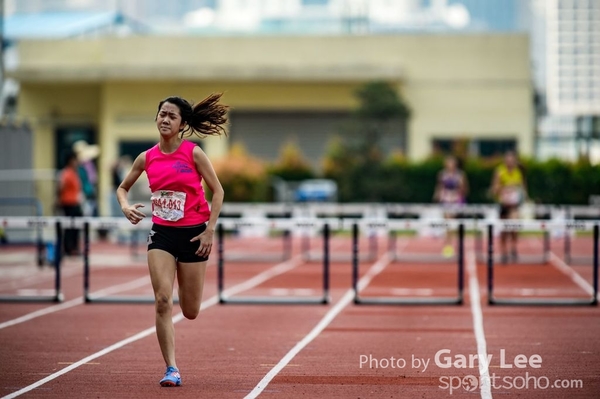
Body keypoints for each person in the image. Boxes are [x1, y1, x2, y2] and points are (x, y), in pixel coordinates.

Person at [116, 93, 227, 387]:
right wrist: (125, 206)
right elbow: (122, 188)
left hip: (193, 235)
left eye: (171, 116)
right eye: (162, 114)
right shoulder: (146, 157)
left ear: (182, 124)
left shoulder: (194, 154)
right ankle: (172, 369)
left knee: (190, 311)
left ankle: (174, 355)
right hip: (162, 234)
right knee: (163, 300)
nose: (165, 119)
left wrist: (210, 229)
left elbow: (218, 191)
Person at [491, 150, 528, 263]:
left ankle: (513, 248)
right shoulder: (500, 171)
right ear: (505, 160)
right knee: (503, 230)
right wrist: (503, 189)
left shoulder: (518, 172)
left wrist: (524, 196)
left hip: (514, 205)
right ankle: (504, 252)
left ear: (515, 161)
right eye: (508, 160)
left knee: (514, 225)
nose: (510, 162)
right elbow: (494, 189)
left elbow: (523, 188)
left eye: (512, 160)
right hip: (503, 204)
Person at [433, 155, 468, 257]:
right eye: (448, 163)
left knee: (453, 224)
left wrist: (460, 188)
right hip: (446, 201)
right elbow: (439, 187)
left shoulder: (460, 175)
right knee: (448, 223)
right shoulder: (442, 174)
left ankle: (451, 244)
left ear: (455, 164)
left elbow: (465, 190)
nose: (450, 165)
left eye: (452, 163)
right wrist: (437, 196)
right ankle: (448, 245)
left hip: (457, 201)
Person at [57, 151, 84, 256]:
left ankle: (73, 247)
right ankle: (68, 248)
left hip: (75, 203)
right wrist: (58, 199)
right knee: (69, 227)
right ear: (70, 161)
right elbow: (60, 186)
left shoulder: (74, 173)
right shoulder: (66, 173)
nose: (77, 162)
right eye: (75, 160)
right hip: (68, 203)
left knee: (76, 226)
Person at [72, 140, 100, 217]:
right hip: (86, 191)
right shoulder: (82, 167)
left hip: (87, 191)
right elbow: (91, 179)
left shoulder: (84, 165)